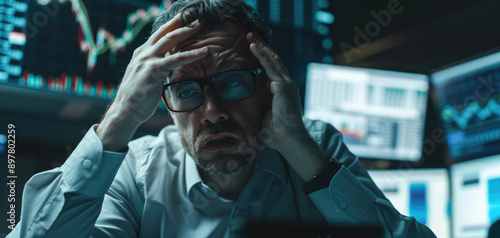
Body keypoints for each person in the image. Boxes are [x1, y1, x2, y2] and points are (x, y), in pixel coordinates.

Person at [8, 0, 436, 237]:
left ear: (270, 81)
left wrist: (299, 149)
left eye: (231, 82)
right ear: (163, 97)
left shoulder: (313, 146)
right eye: (186, 90)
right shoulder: (136, 173)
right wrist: (118, 119)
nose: (212, 112)